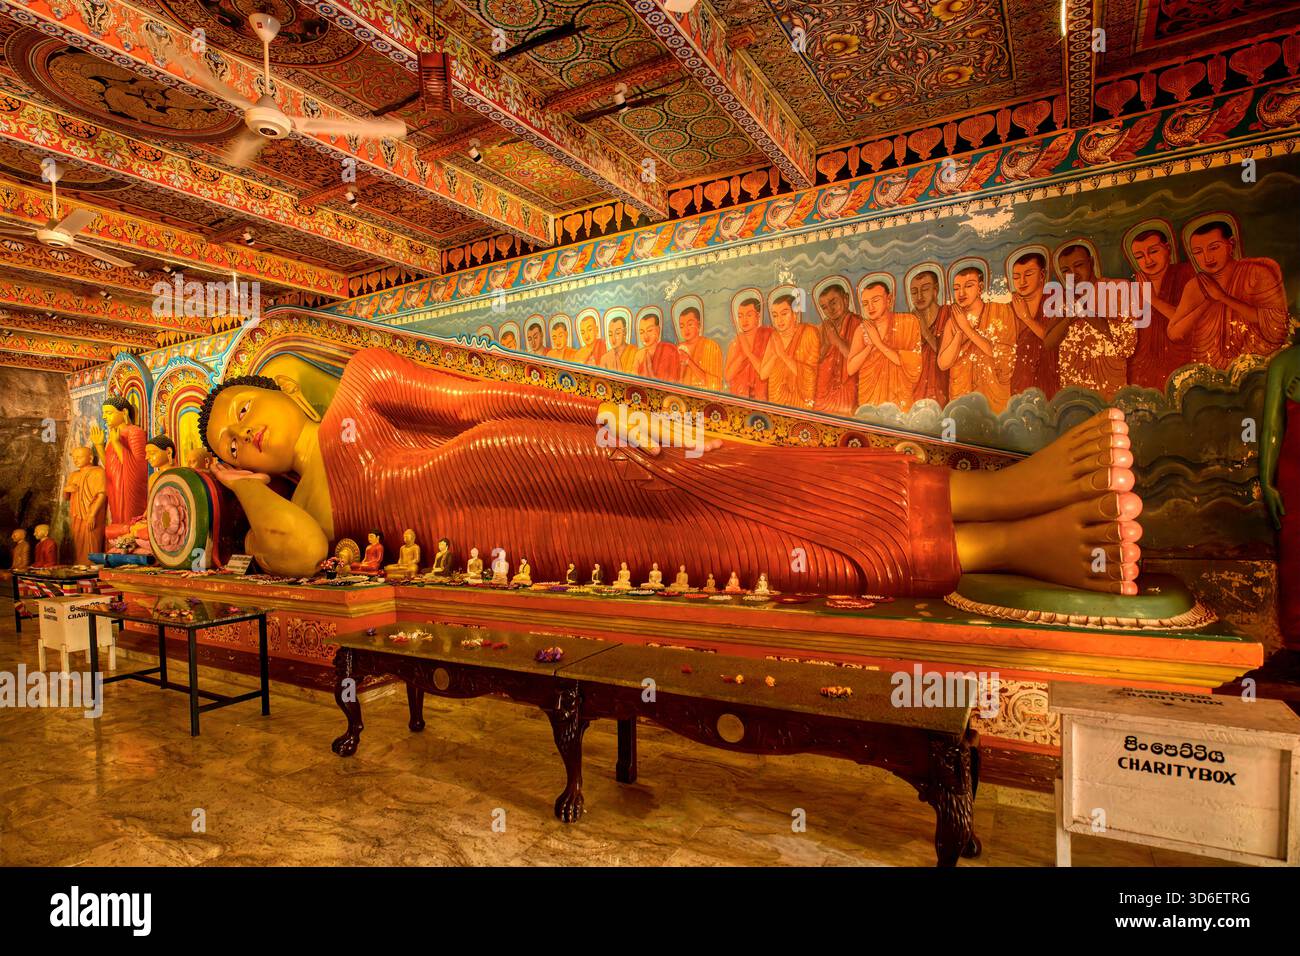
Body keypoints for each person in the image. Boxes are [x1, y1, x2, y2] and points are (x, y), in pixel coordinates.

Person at [199, 348, 1143, 597]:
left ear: (277, 388)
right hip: (503, 540)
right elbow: (295, 557)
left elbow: (480, 401)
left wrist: (610, 418)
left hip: (525, 456)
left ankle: (1002, 490)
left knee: (733, 476)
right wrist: (238, 487)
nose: (245, 434)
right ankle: (1014, 546)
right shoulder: (304, 513)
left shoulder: (361, 386)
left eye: (242, 409)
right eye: (230, 442)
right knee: (739, 554)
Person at [1169, 221, 1288, 367]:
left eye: (1214, 248)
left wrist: (1223, 297)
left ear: (1231, 244)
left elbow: (1276, 324)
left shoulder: (1257, 273)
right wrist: (1207, 301)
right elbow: (1175, 333)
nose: (1207, 258)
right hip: (1209, 370)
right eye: (1198, 252)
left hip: (1255, 368)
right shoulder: (1195, 286)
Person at [1055, 244, 1135, 397]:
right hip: (1074, 394)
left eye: (1078, 265)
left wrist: (1083, 310)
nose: (1073, 274)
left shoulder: (1117, 288)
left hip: (1110, 386)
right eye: (1066, 271)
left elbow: (1126, 344)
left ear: (1091, 262)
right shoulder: (1063, 300)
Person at [1260, 341, 1300, 650]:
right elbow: (1272, 427)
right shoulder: (1284, 363)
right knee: (1295, 554)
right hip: (1293, 472)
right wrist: (1266, 481)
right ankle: (1296, 639)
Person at [938, 266, 1017, 412]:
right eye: (956, 288)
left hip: (993, 395)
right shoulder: (953, 321)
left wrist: (967, 329)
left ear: (980, 287)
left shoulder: (1000, 311)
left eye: (968, 286)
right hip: (961, 396)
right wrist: (959, 333)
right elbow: (943, 363)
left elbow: (1000, 354)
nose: (961, 293)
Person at [1127, 229, 1196, 389]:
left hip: (1180, 360)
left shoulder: (1186, 274)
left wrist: (1153, 300)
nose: (1148, 260)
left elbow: (1188, 322)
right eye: (1139, 256)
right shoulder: (1134, 286)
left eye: (1153, 251)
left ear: (1168, 248)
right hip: (1143, 367)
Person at [846, 281, 921, 409]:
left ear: (889, 299)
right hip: (869, 398)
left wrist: (878, 343)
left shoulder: (908, 322)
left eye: (875, 300)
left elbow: (913, 365)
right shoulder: (862, 330)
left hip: (898, 397)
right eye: (865, 304)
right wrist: (869, 347)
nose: (870, 307)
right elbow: (851, 368)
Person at [90, 396, 147, 535]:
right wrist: (99, 446)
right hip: (114, 483)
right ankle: (119, 544)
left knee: (129, 522)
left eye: (109, 413)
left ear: (124, 412)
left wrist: (116, 443)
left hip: (129, 486)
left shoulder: (134, 432)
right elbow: (110, 465)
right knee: (117, 520)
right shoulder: (113, 436)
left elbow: (139, 466)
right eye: (104, 413)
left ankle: (128, 543)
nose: (105, 417)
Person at [1007, 252, 1061, 397]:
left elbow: (1053, 339)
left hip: (1048, 375)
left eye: (1028, 274)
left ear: (1042, 275)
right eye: (1016, 277)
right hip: (1019, 380)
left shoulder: (1054, 302)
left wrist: (1026, 318)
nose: (1022, 281)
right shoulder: (1008, 309)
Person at [760, 293, 819, 408]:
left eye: (784, 314)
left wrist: (783, 355)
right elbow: (763, 374)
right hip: (776, 399)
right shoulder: (774, 337)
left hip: (799, 402)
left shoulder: (809, 333)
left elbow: (810, 375)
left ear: (795, 314)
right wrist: (775, 355)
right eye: (775, 315)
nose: (779, 320)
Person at [813, 283, 863, 415]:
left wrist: (837, 340)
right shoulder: (822, 328)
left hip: (847, 386)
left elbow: (858, 361)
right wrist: (826, 344)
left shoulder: (859, 324)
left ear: (846, 299)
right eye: (824, 307)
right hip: (824, 388)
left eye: (833, 302)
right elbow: (815, 360)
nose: (830, 309)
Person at [907, 270, 950, 407]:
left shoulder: (948, 314)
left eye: (925, 289)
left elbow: (945, 354)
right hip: (917, 390)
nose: (919, 296)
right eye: (914, 292)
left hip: (943, 386)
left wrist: (925, 330)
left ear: (935, 290)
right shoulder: (909, 322)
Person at [63, 446, 107, 564]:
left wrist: (92, 514)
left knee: (91, 540)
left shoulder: (98, 471)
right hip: (77, 514)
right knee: (79, 541)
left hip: (92, 513)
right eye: (74, 458)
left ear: (91, 458)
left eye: (79, 457)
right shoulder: (73, 475)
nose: (76, 460)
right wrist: (67, 490)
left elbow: (102, 495)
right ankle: (81, 564)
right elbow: (66, 498)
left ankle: (92, 565)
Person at [724, 296, 772, 400]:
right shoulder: (736, 342)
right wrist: (742, 355)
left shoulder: (768, 336)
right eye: (740, 316)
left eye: (749, 315)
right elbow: (727, 376)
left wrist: (749, 353)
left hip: (764, 395)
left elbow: (766, 372)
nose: (744, 320)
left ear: (758, 316)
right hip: (742, 395)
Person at [676, 306, 723, 390]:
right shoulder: (678, 349)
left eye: (690, 324)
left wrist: (689, 361)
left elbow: (714, 384)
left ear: (699, 324)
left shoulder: (710, 346)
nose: (686, 330)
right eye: (682, 326)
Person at [634, 310, 679, 381]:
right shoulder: (639, 355)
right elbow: (634, 379)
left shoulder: (670, 350)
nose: (645, 336)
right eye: (641, 332)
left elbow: (674, 380)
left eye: (649, 330)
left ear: (658, 330)